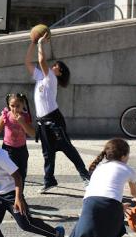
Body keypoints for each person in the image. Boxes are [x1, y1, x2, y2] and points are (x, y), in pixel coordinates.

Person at [24, 34, 90, 194]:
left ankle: (86, 176)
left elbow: (41, 60)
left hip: (54, 120)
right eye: (53, 65)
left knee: (67, 148)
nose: (53, 67)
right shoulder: (40, 77)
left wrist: (40, 44)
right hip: (42, 121)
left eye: (56, 66)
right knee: (47, 153)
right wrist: (32, 43)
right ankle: (49, 180)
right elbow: (27, 62)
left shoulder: (51, 78)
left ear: (59, 72)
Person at [0, 93, 35, 186]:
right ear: (8, 105)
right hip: (8, 149)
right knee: (10, 175)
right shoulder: (5, 116)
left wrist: (22, 122)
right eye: (12, 106)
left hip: (22, 149)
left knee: (22, 174)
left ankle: (20, 196)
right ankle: (11, 196)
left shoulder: (25, 117)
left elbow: (32, 134)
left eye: (18, 106)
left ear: (23, 105)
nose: (15, 109)